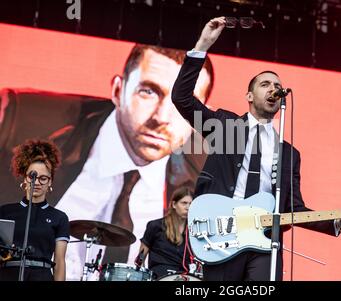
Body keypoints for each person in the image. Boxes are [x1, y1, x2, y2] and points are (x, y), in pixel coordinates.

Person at [171, 17, 341, 281]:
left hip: (263, 240)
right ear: (249, 96)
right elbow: (181, 99)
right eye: (265, 84)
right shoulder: (227, 127)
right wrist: (202, 46)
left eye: (277, 86)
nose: (274, 89)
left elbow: (294, 209)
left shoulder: (288, 154)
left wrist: (339, 219)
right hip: (221, 235)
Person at [0, 44, 213, 280]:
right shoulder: (17, 124)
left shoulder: (207, 177)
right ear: (117, 90)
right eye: (148, 92)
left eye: (182, 103)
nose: (161, 118)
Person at [0, 139, 69, 281]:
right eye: (32, 177)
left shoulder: (59, 217)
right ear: (24, 179)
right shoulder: (5, 212)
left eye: (43, 178)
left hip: (41, 275)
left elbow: (59, 263)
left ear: (50, 182)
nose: (36, 182)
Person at [135, 187, 195, 280]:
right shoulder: (155, 226)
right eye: (184, 203)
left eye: (191, 204)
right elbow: (140, 258)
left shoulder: (194, 231)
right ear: (174, 204)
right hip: (159, 276)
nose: (188, 207)